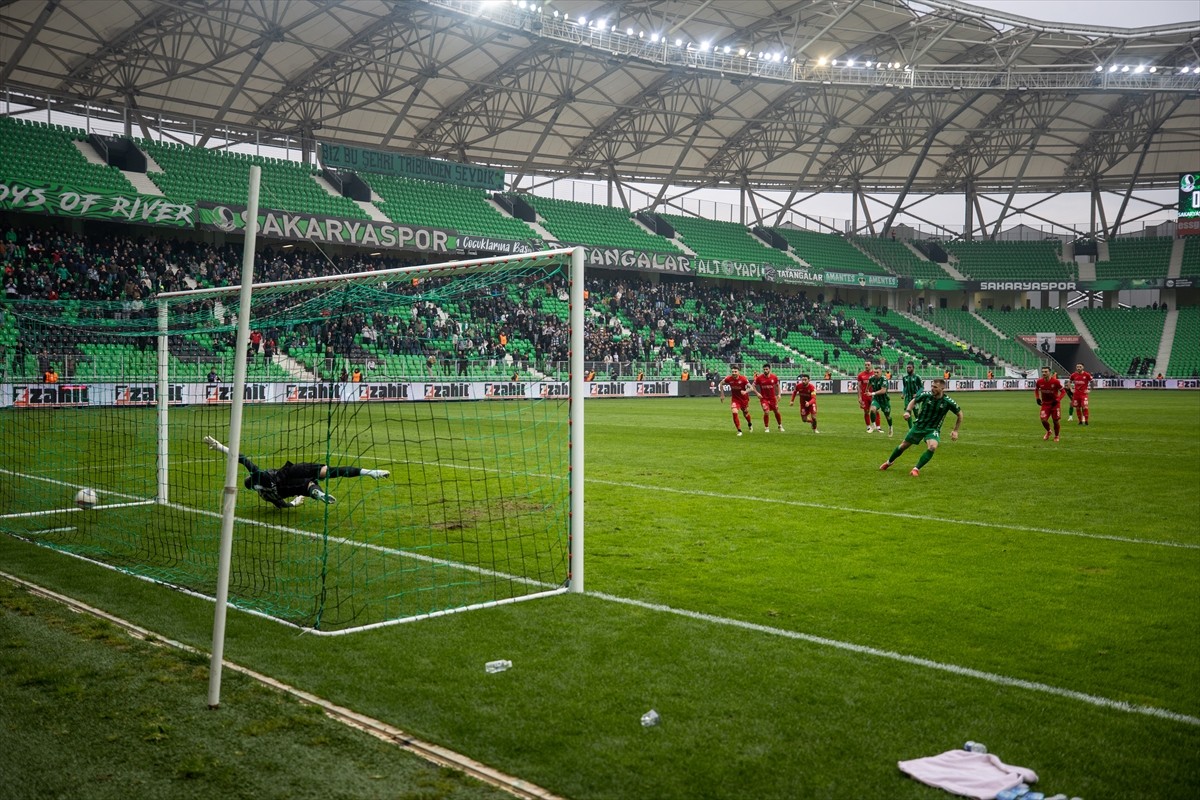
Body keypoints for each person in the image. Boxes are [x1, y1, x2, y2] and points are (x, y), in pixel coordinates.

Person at [202, 436, 389, 508]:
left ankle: (316, 493)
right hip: (287, 473)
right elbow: (243, 459)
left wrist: (295, 502)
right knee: (329, 471)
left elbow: (281, 505)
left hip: (284, 489)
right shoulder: (260, 476)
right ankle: (370, 472)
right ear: (252, 479)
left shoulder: (264, 495)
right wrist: (220, 447)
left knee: (307, 486)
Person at [879, 378, 962, 477]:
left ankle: (916, 469)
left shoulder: (948, 401)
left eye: (935, 387)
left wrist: (955, 430)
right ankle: (889, 462)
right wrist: (908, 411)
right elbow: (914, 401)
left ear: (942, 388)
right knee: (903, 446)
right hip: (919, 426)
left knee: (932, 447)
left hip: (933, 429)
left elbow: (960, 414)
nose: (932, 388)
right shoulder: (926, 395)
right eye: (932, 386)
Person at [720, 365, 756, 436]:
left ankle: (749, 423)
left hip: (744, 399)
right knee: (734, 412)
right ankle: (739, 430)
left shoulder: (743, 379)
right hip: (735, 399)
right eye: (732, 371)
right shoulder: (729, 378)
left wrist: (745, 391)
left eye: (735, 371)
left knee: (745, 413)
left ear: (738, 372)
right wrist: (722, 394)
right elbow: (721, 383)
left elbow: (751, 388)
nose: (733, 373)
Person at [1035, 366, 1067, 442]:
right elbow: (1036, 390)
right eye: (1043, 372)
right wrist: (1037, 398)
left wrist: (1058, 400)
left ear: (1050, 372)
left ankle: (1056, 436)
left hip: (1054, 404)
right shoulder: (1039, 381)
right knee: (1043, 420)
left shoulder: (1055, 382)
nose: (1044, 373)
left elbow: (1063, 392)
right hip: (1045, 404)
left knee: (1055, 421)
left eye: (1046, 372)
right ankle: (1049, 431)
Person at [753, 363, 784, 433]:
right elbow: (753, 386)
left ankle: (780, 425)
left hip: (773, 398)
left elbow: (777, 385)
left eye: (766, 369)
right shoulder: (759, 378)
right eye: (764, 369)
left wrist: (779, 394)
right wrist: (757, 393)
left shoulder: (774, 377)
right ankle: (766, 427)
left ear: (769, 369)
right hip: (764, 399)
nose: (765, 371)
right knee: (766, 412)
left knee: (776, 411)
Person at [868, 365, 894, 437]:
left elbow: (883, 391)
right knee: (872, 410)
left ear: (881, 372)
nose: (876, 374)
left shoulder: (884, 379)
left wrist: (872, 393)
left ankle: (890, 427)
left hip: (884, 400)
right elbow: (869, 383)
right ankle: (873, 425)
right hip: (876, 399)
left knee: (887, 416)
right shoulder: (872, 378)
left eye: (877, 372)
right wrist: (867, 390)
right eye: (875, 372)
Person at [856, 360, 878, 432]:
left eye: (868, 365)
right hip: (864, 396)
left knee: (875, 410)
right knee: (866, 411)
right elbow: (859, 387)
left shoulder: (875, 374)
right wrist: (859, 397)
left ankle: (878, 427)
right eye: (865, 365)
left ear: (871, 365)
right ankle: (868, 427)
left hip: (873, 395)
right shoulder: (861, 375)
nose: (866, 366)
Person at [901, 362, 922, 430]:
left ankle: (919, 427)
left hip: (915, 398)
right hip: (907, 398)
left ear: (913, 368)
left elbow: (921, 387)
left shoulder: (917, 377)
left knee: (916, 413)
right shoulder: (904, 377)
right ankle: (910, 428)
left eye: (910, 367)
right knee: (908, 413)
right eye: (907, 367)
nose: (908, 369)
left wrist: (917, 394)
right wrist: (903, 393)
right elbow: (905, 387)